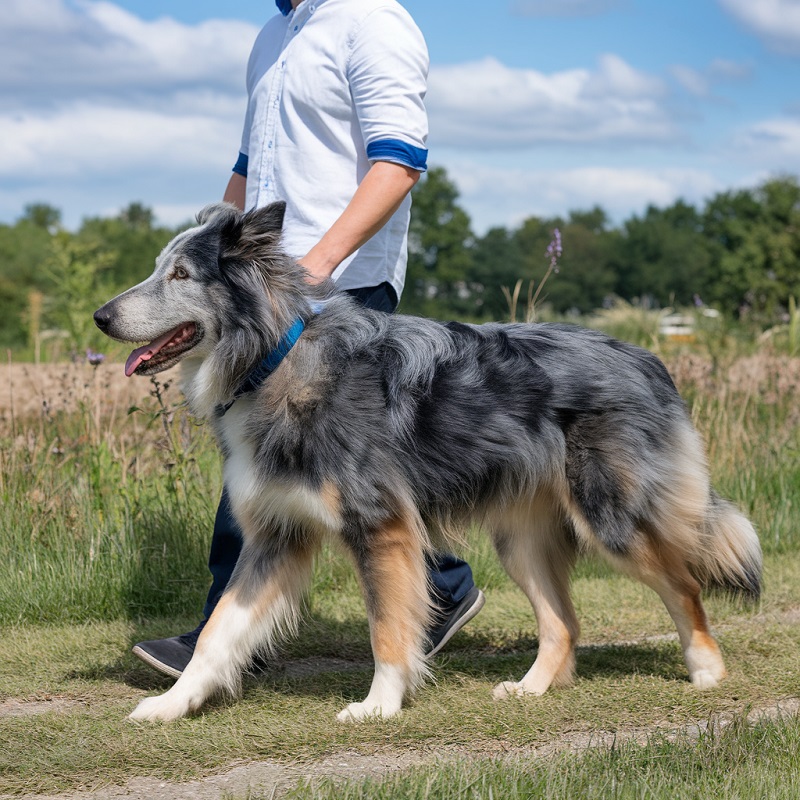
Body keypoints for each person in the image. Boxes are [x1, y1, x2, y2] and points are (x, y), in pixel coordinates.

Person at [132, 0, 484, 679]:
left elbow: (400, 161)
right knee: (286, 467)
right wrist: (203, 250)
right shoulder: (273, 35)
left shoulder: (374, 21)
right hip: (254, 294)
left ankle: (228, 639)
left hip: (335, 290)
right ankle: (439, 590)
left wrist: (315, 265)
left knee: (296, 468)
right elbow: (249, 165)